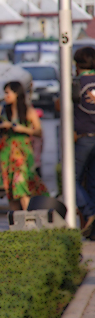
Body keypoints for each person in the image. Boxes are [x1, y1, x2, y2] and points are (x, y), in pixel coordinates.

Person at [0, 81, 48, 211]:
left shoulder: (28, 110)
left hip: (22, 152)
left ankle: (28, 219)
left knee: (20, 184)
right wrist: (1, 126)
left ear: (16, 93)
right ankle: (16, 224)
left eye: (7, 93)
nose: (6, 96)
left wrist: (23, 129)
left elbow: (38, 131)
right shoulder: (3, 109)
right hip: (7, 152)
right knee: (10, 189)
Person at [72, 46, 95, 236]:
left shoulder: (77, 82)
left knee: (71, 179)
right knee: (93, 182)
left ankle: (89, 212)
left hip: (84, 137)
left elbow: (59, 105)